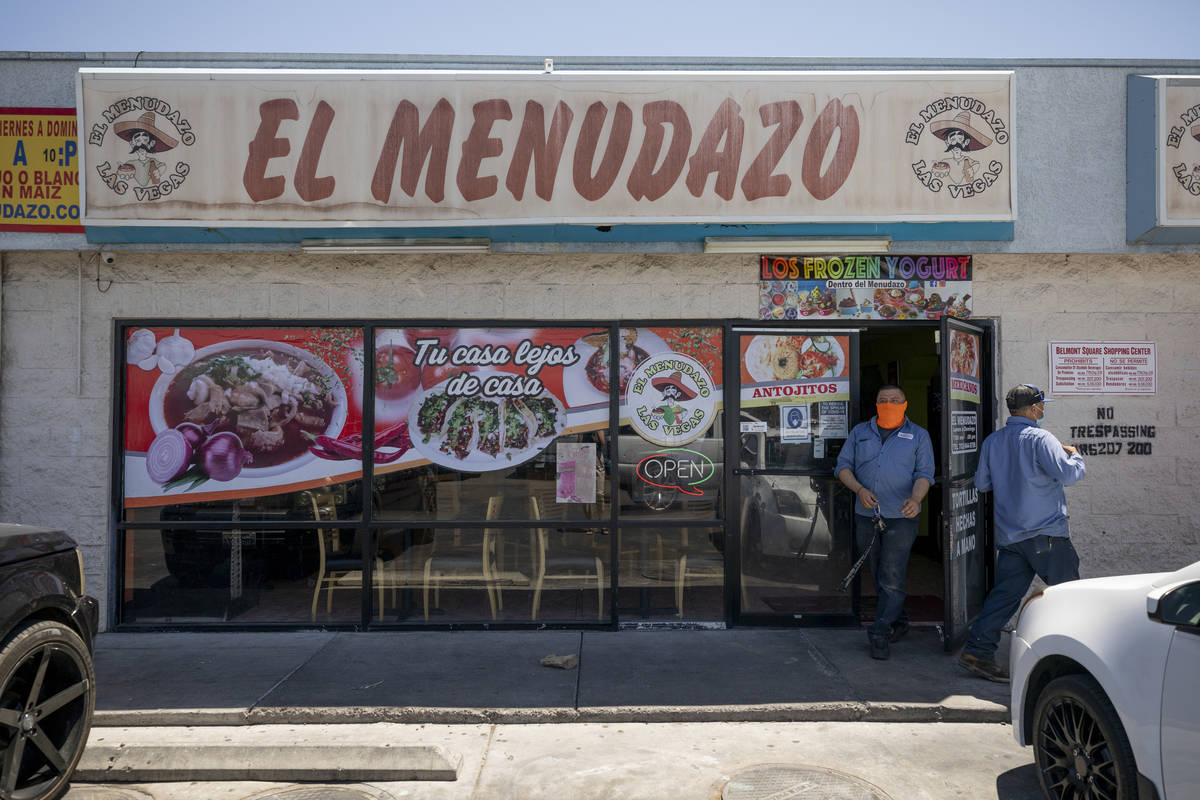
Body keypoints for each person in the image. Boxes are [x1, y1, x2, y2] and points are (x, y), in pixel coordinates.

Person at [958, 384, 1086, 683]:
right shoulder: (1042, 438)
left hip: (1012, 536)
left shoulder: (994, 441)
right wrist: (1076, 456)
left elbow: (982, 484)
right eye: (1042, 406)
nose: (1043, 411)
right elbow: (1068, 475)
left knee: (1004, 596)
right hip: (1046, 534)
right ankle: (1079, 660)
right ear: (1033, 409)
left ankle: (977, 651)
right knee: (1073, 597)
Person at [835, 385, 935, 660]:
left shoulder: (918, 435)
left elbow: (925, 473)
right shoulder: (860, 433)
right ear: (876, 404)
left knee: (891, 574)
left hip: (902, 517)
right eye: (883, 400)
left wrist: (916, 499)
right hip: (867, 516)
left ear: (905, 404)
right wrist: (859, 489)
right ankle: (898, 619)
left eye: (894, 400)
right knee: (878, 571)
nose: (888, 404)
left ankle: (880, 632)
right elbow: (842, 467)